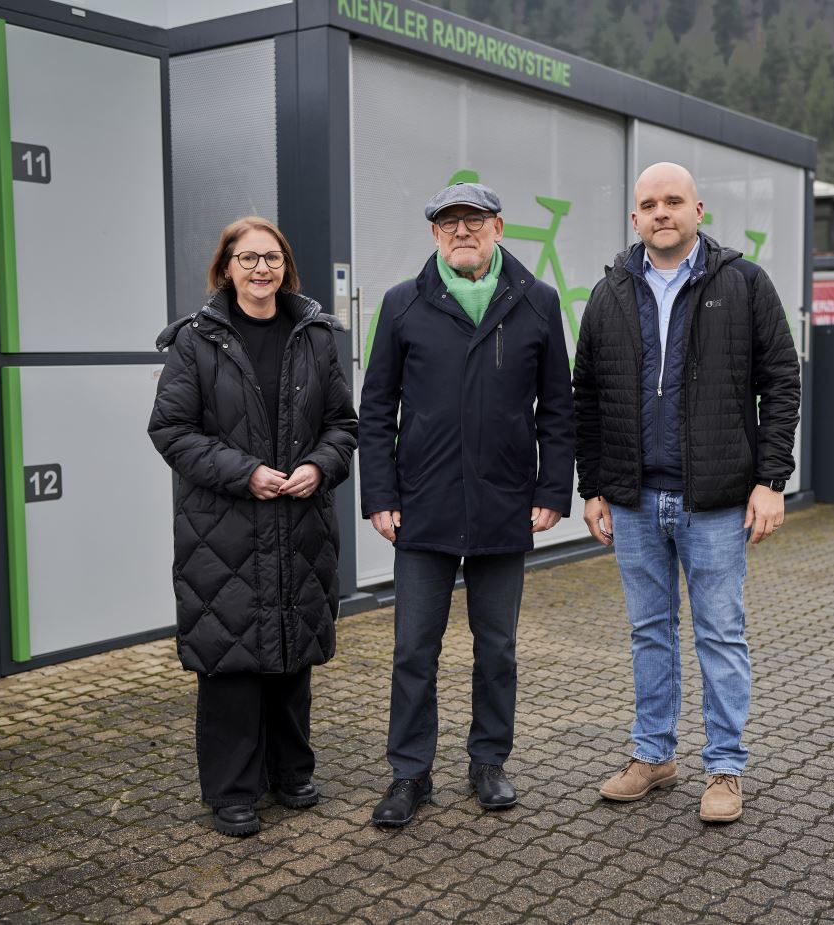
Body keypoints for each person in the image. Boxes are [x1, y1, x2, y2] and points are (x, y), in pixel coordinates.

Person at [572, 163, 800, 824]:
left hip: (718, 499)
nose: (661, 212)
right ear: (635, 218)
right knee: (649, 632)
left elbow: (781, 381)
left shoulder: (744, 283)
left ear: (698, 209)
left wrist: (770, 480)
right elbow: (586, 395)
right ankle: (654, 756)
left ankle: (725, 766)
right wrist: (594, 487)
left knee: (721, 635)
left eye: (673, 201)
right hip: (635, 500)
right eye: (649, 203)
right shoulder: (610, 293)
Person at [359, 181, 574, 827]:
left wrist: (551, 491)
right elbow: (374, 411)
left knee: (497, 646)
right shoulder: (403, 305)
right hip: (421, 508)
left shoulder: (535, 302)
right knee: (413, 648)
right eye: (448, 222)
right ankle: (409, 773)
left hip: (503, 505)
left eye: (473, 221)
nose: (461, 232)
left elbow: (558, 408)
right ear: (433, 234)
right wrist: (379, 495)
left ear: (499, 229)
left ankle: (488, 762)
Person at [148, 216, 357, 836]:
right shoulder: (196, 340)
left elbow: (343, 425)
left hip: (300, 522)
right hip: (225, 526)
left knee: (293, 654)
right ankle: (233, 789)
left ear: (286, 267)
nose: (261, 269)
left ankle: (290, 771)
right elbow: (171, 430)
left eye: (272, 258)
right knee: (230, 660)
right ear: (226, 268)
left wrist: (320, 467)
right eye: (248, 259)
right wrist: (245, 473)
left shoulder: (315, 336)